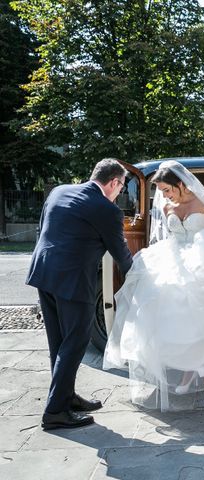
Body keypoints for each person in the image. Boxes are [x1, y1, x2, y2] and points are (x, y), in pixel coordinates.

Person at [103, 160, 204, 412]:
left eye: (167, 189)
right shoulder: (166, 207)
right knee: (177, 322)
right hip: (174, 264)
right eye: (162, 191)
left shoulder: (203, 202)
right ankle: (188, 373)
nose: (164, 195)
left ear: (180, 184)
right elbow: (166, 237)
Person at [26, 158, 133, 430]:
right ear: (113, 182)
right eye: (121, 187)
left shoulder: (59, 191)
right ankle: (55, 413)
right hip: (73, 282)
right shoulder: (106, 210)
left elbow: (44, 230)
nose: (120, 192)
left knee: (59, 343)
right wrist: (138, 275)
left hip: (44, 273)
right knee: (75, 343)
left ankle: (65, 396)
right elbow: (120, 252)